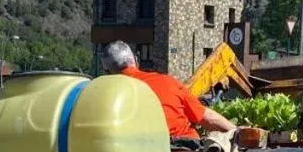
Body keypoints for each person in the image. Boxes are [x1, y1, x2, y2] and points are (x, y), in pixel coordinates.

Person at [100, 41, 236, 141]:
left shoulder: (106, 98)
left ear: (106, 72)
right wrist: (238, 132)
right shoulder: (168, 82)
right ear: (136, 60)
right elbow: (206, 118)